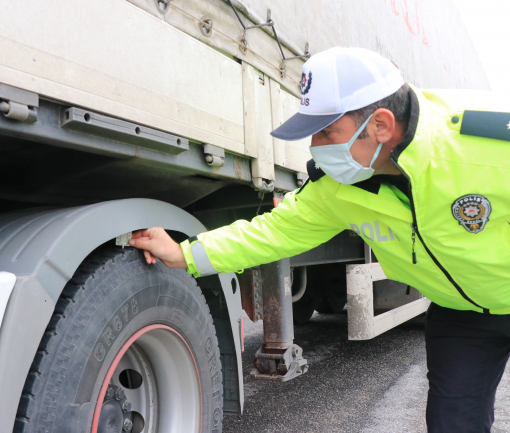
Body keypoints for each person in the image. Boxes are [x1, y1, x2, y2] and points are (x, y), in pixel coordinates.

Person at [128, 47, 510, 433]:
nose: (316, 146)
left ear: (381, 125)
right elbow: (274, 232)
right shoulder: (338, 188)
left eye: (327, 131)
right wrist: (185, 254)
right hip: (461, 317)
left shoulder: (486, 146)